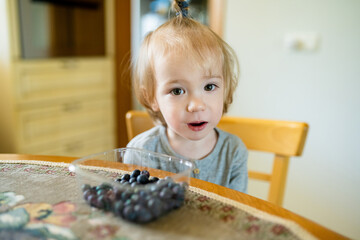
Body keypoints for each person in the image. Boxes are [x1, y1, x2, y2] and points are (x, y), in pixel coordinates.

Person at [127, 0, 248, 193]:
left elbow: (237, 212)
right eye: (177, 91)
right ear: (151, 97)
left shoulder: (233, 151)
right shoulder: (142, 152)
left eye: (209, 86)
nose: (196, 106)